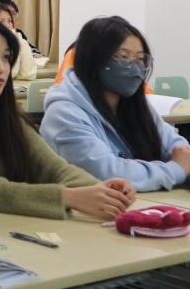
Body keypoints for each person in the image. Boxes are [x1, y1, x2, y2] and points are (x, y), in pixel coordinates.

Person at [0, 12, 136, 220]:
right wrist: (68, 197)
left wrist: (102, 190)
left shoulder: (6, 118)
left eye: (6, 57)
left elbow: (55, 169)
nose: (1, 68)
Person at [41, 16, 190, 192]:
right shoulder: (64, 113)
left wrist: (181, 163)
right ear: (94, 59)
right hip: (86, 207)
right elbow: (106, 173)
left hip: (140, 201)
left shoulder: (135, 106)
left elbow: (180, 151)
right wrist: (175, 170)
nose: (134, 67)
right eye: (123, 57)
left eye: (139, 59)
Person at [0, 3, 37, 81]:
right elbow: (9, 74)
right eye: (1, 22)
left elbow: (28, 74)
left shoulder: (15, 39)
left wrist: (20, 41)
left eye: (9, 21)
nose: (8, 25)